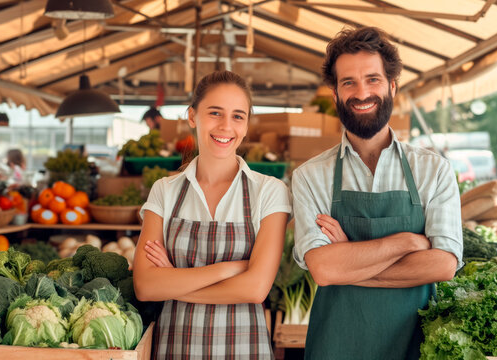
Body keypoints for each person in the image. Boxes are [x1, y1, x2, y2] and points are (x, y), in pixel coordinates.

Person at [291, 27, 463, 360]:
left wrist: (349, 259)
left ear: (392, 85)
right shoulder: (310, 176)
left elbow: (443, 265)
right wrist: (407, 243)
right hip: (336, 346)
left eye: (373, 79)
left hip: (416, 346)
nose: (361, 93)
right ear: (335, 93)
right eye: (348, 82)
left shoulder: (433, 170)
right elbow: (324, 270)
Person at [133, 70, 291, 359]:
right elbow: (145, 286)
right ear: (193, 116)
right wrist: (229, 268)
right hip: (175, 348)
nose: (226, 126)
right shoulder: (165, 191)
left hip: (245, 349)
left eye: (238, 116)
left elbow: (255, 289)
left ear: (246, 125)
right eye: (215, 113)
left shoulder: (269, 191)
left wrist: (172, 282)